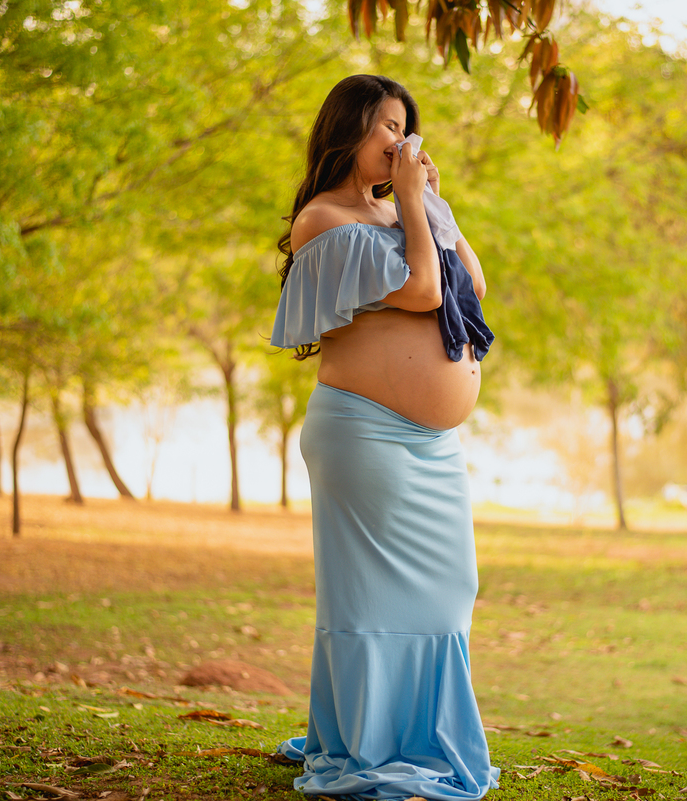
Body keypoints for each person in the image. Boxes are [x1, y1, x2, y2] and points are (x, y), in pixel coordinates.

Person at [269, 74, 500, 800]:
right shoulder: (324, 219)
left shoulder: (403, 209)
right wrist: (406, 204)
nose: (398, 139)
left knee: (451, 590)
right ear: (348, 129)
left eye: (404, 126)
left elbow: (473, 281)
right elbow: (424, 291)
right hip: (364, 433)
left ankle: (422, 738)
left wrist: (426, 199)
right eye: (384, 126)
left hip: (429, 447)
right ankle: (368, 745)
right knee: (371, 604)